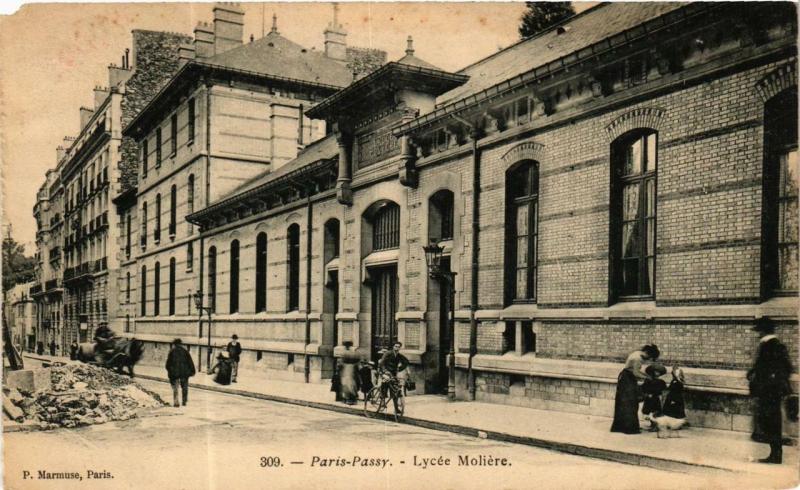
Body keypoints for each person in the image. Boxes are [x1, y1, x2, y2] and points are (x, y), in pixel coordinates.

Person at [747, 318, 792, 464]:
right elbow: (787, 367)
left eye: (758, 331)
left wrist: (767, 381)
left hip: (769, 392)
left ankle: (775, 455)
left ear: (763, 331)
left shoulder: (769, 346)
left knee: (771, 422)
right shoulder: (775, 345)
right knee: (771, 422)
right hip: (772, 391)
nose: (757, 334)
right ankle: (775, 454)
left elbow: (776, 369)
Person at [611, 343, 660, 434]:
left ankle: (622, 427)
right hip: (627, 380)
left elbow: (635, 372)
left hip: (626, 379)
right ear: (647, 352)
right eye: (649, 356)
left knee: (625, 403)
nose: (648, 359)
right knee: (631, 403)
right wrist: (648, 377)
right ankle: (630, 428)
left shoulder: (637, 353)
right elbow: (636, 373)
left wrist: (646, 376)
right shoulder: (638, 358)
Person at [165, 338, 196, 407]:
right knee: (184, 387)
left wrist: (170, 371)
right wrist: (192, 371)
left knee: (175, 388)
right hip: (184, 373)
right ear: (180, 344)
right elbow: (190, 362)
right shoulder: (185, 351)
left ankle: (176, 402)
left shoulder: (172, 352)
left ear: (175, 344)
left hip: (175, 374)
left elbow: (167, 364)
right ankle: (184, 401)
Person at [641, 364, 667, 431]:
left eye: (659, 372)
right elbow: (644, 388)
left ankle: (655, 426)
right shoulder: (648, 380)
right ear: (652, 372)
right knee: (648, 412)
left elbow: (662, 390)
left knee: (655, 412)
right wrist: (647, 394)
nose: (657, 373)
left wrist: (661, 396)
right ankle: (652, 424)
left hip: (655, 399)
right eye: (656, 372)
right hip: (649, 398)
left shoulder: (661, 382)